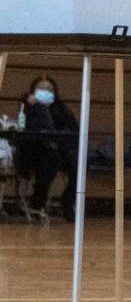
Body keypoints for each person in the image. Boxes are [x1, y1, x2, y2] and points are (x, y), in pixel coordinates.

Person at [15, 75, 79, 220]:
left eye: (50, 89)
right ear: (33, 91)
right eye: (42, 89)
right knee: (49, 160)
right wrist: (33, 103)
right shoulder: (29, 106)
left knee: (78, 163)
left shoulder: (62, 108)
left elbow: (72, 130)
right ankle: (37, 201)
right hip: (35, 150)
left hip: (60, 150)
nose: (46, 92)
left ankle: (68, 200)